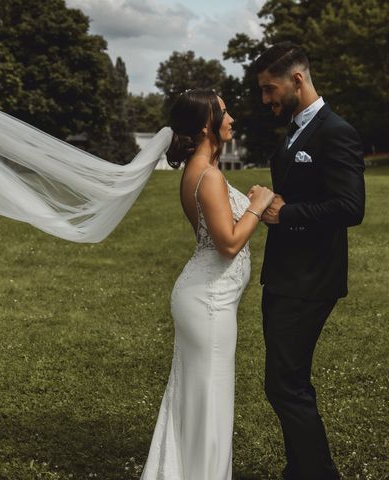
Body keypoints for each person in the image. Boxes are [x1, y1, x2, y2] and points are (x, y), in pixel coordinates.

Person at [139, 89, 275, 480]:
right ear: (205, 125)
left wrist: (249, 205)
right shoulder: (208, 174)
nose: (231, 118)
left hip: (208, 297)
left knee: (199, 398)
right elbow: (229, 243)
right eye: (224, 112)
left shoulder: (202, 170)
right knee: (210, 400)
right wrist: (258, 203)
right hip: (209, 302)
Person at [253, 42, 366, 480]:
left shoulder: (336, 131)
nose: (266, 100)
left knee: (285, 385)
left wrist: (287, 213)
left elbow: (350, 207)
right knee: (287, 382)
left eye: (269, 89)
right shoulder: (296, 130)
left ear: (297, 79)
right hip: (286, 275)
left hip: (309, 278)